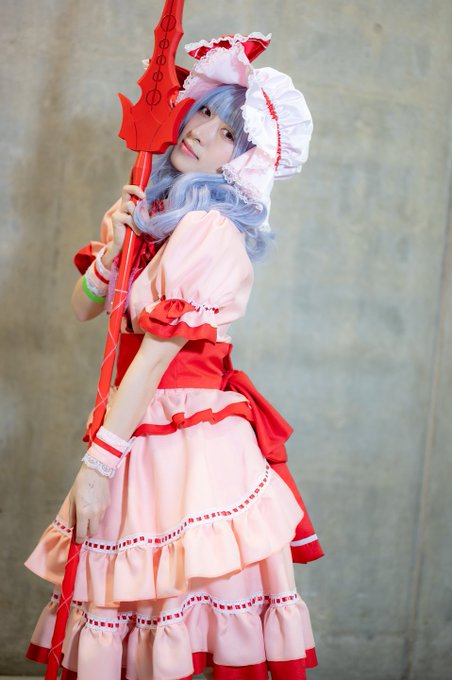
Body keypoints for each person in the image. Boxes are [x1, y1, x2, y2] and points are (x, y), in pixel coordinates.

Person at [24, 32, 323, 680]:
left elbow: (155, 358)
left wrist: (98, 465)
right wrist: (113, 254)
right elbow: (83, 308)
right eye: (205, 111)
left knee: (172, 611)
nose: (203, 131)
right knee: (136, 610)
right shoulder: (153, 210)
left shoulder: (209, 231)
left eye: (227, 133)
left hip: (186, 443)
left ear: (242, 161)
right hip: (137, 424)